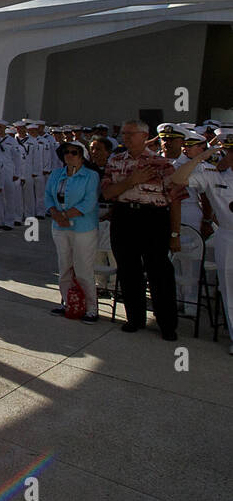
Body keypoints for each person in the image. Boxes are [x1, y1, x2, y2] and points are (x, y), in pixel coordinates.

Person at [101, 119, 182, 340]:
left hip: (153, 218)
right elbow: (107, 193)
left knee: (159, 271)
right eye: (124, 133)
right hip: (125, 215)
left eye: (131, 133)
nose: (125, 137)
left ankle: (167, 323)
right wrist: (131, 181)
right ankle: (134, 318)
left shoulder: (162, 164)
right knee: (128, 269)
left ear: (144, 136)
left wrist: (175, 234)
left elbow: (175, 200)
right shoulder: (115, 160)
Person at [171, 128, 233, 352]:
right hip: (227, 234)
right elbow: (177, 179)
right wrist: (199, 157)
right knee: (228, 287)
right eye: (230, 152)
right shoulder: (212, 173)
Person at [46, 140, 101, 322]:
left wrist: (65, 215)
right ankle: (68, 302)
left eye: (74, 152)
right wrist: (55, 213)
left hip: (82, 227)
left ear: (82, 156)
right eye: (66, 152)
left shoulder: (91, 176)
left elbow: (89, 201)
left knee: (83, 268)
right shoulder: (56, 174)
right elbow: (48, 196)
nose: (69, 155)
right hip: (60, 227)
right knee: (64, 267)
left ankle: (91, 308)